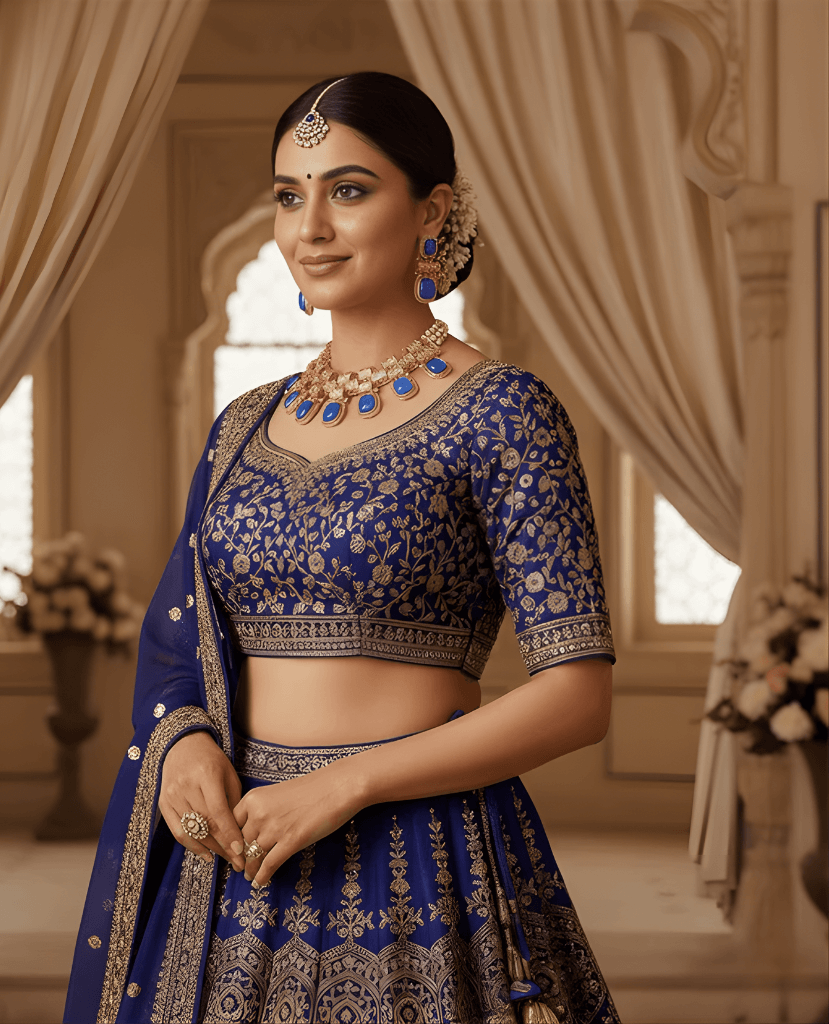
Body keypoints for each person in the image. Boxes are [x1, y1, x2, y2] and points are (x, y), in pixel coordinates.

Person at [65, 71, 619, 1024]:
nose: (309, 226)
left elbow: (579, 693)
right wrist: (186, 741)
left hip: (421, 859)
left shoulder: (503, 413)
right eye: (290, 195)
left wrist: (346, 784)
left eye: (348, 190)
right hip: (242, 858)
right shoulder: (243, 424)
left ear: (432, 210)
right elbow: (178, 645)